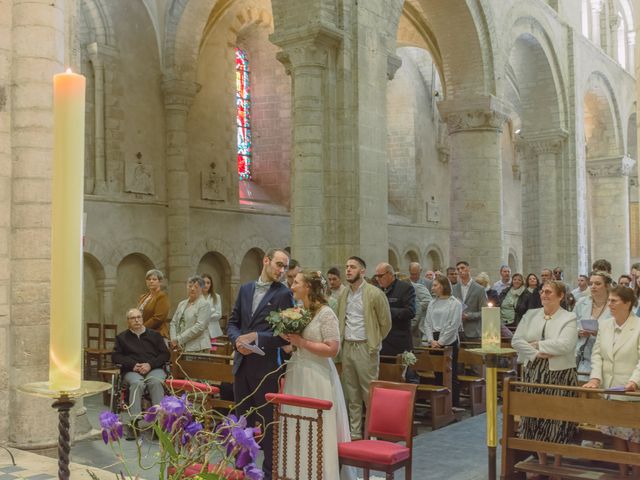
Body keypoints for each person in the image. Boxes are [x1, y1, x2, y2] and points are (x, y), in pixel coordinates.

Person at [279, 271, 355, 480]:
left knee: (317, 423)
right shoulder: (299, 311)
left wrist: (301, 342)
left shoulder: (325, 313)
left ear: (308, 288)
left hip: (317, 374)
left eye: (296, 282)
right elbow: (297, 345)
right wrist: (289, 341)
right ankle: (298, 472)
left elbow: (332, 349)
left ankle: (321, 473)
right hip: (298, 371)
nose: (291, 286)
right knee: (297, 422)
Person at [227, 248, 295, 480]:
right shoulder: (246, 289)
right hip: (242, 364)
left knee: (266, 424)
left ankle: (268, 473)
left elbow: (285, 336)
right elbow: (233, 321)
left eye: (285, 266)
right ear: (266, 261)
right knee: (242, 420)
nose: (282, 270)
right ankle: (241, 469)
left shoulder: (283, 294)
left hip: (266, 368)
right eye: (278, 264)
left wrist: (256, 337)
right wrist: (237, 340)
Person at [511, 280, 578, 467]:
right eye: (542, 291)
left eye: (549, 292)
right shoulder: (531, 314)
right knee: (534, 417)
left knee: (557, 418)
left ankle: (557, 463)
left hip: (560, 374)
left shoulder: (569, 318)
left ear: (560, 296)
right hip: (534, 371)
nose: (544, 295)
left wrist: (536, 344)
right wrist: (536, 353)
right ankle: (541, 462)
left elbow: (565, 345)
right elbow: (516, 341)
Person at [583, 285, 640, 478]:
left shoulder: (638, 326)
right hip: (610, 390)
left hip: (631, 392)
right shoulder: (606, 325)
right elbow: (597, 354)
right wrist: (595, 377)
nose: (609, 305)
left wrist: (634, 382)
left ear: (628, 303)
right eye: (609, 301)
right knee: (616, 435)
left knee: (634, 439)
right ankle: (623, 475)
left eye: (614, 301)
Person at [337, 256, 391, 440]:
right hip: (348, 346)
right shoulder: (344, 294)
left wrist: (373, 342)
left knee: (369, 392)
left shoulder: (374, 293)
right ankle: (355, 433)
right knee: (351, 392)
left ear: (362, 271)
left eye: (352, 267)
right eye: (346, 267)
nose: (348, 270)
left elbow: (386, 323)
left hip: (365, 347)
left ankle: (373, 433)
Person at [112, 308, 169, 438]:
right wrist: (133, 365)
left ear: (142, 319)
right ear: (128, 321)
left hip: (154, 369)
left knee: (155, 382)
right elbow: (116, 357)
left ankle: (159, 423)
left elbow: (165, 354)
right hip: (133, 371)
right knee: (137, 384)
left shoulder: (155, 335)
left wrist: (150, 365)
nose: (137, 320)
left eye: (139, 317)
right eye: (133, 318)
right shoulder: (122, 338)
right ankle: (135, 422)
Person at [421, 273, 462, 407]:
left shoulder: (455, 303)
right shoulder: (433, 303)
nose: (432, 288)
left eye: (435, 285)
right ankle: (439, 405)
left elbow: (454, 325)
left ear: (443, 286)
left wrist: (441, 342)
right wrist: (431, 340)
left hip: (449, 341)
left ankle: (452, 403)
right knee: (437, 373)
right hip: (434, 340)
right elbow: (427, 322)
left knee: (450, 373)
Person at [574, 271, 612, 381]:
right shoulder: (582, 302)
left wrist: (598, 333)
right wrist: (578, 331)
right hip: (583, 357)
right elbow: (571, 325)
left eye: (598, 284)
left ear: (607, 286)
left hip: (605, 358)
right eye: (591, 284)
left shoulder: (614, 304)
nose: (593, 287)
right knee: (582, 392)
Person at [376, 263, 416, 356]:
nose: (377, 279)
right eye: (376, 276)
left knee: (402, 369)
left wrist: (387, 311)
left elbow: (411, 312)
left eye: (380, 276)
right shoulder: (377, 290)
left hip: (399, 340)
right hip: (382, 341)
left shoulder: (405, 288)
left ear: (390, 274)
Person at [169, 276, 212, 352]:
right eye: (190, 286)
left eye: (196, 286)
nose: (192, 289)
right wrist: (173, 339)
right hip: (179, 345)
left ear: (201, 289)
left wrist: (179, 339)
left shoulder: (205, 304)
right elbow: (173, 323)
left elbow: (200, 327)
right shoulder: (182, 303)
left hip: (197, 347)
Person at [452, 261, 487, 341]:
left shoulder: (479, 289)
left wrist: (469, 316)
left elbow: (484, 311)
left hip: (473, 331)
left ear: (468, 269)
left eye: (462, 268)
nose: (460, 271)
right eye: (458, 269)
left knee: (472, 353)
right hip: (455, 331)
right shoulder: (453, 288)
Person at [137, 269, 171, 339]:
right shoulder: (143, 297)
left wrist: (141, 328)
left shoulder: (162, 296)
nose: (151, 281)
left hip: (156, 334)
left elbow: (158, 318)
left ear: (160, 282)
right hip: (142, 333)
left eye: (154, 279)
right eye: (149, 279)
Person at [201, 273, 224, 340]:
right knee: (201, 350)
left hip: (213, 331)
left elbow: (219, 314)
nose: (206, 285)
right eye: (204, 283)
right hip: (200, 331)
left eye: (208, 283)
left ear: (211, 284)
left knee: (213, 350)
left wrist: (206, 316)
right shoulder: (197, 297)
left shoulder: (216, 297)